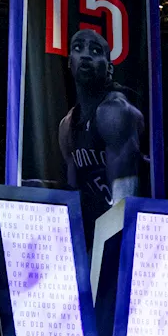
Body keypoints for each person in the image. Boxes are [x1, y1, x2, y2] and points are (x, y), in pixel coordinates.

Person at [56, 29, 144, 227]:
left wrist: (112, 246)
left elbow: (124, 200)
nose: (86, 55)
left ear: (109, 69)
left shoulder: (115, 111)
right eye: (78, 48)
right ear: (70, 62)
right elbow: (73, 194)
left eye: (96, 51)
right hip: (93, 225)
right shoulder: (67, 125)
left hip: (129, 224)